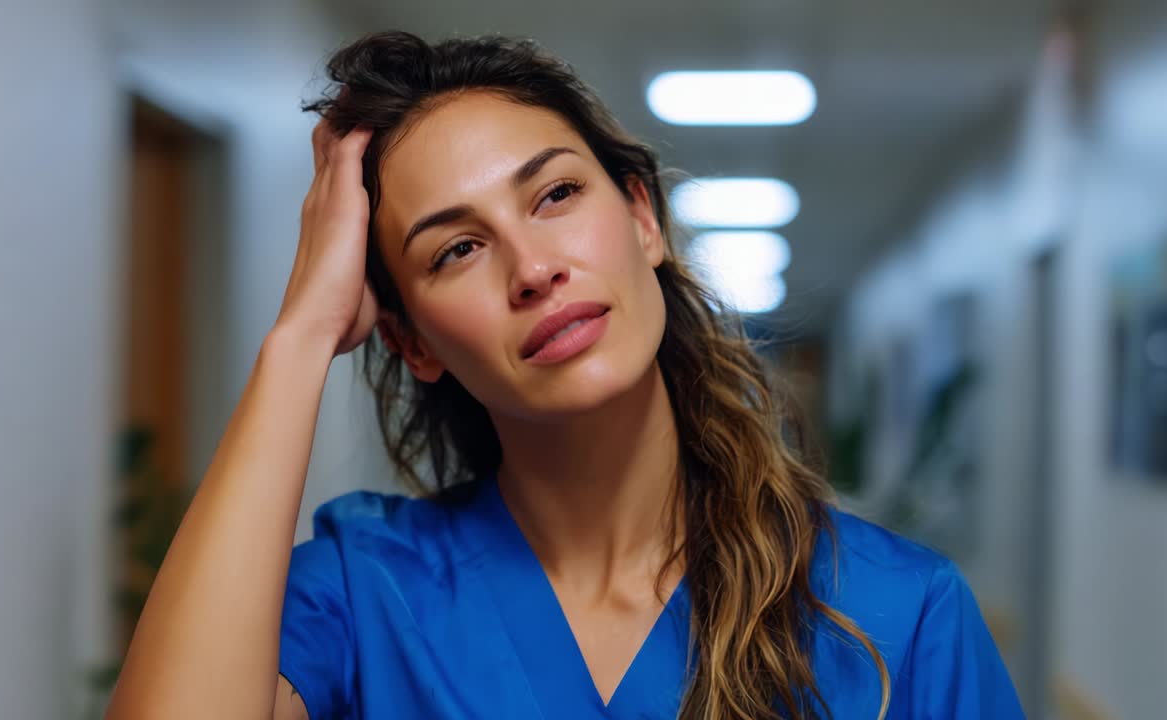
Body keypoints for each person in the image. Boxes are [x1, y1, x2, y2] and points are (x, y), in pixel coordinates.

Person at [106, 31, 1024, 720]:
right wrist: (301, 336)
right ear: (414, 341)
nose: (533, 268)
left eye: (555, 195)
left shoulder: (894, 613)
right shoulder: (362, 595)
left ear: (642, 221)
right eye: (457, 249)